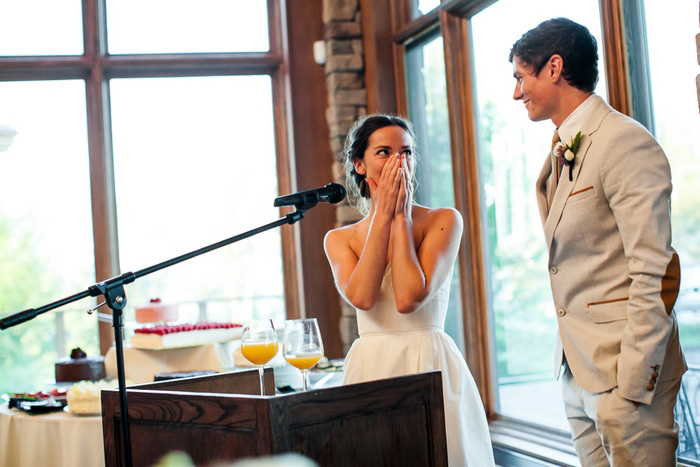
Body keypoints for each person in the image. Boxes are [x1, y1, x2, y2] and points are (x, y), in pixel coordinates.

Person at [510, 17, 687, 465]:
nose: (516, 92)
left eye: (520, 76)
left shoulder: (625, 142)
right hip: (577, 377)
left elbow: (656, 273)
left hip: (625, 384)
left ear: (553, 68)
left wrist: (631, 386)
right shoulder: (561, 146)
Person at [323, 114, 494, 466]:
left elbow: (407, 298)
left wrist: (400, 217)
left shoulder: (443, 220)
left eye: (407, 152)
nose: (399, 161)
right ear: (359, 165)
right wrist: (382, 216)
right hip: (371, 368)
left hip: (429, 361)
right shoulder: (340, 239)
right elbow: (363, 297)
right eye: (384, 152)